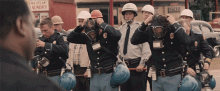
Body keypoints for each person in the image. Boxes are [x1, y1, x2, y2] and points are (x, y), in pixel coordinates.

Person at [0, 0, 65, 90]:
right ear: (21, 26)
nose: (37, 34)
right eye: (32, 24)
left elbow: (64, 50)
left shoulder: (59, 38)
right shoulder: (40, 86)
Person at [131, 14, 191, 91]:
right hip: (157, 77)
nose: (156, 31)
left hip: (173, 75)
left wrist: (174, 23)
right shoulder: (150, 31)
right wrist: (145, 23)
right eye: (154, 29)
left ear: (164, 27)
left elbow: (187, 41)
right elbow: (134, 40)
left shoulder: (172, 29)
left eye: (158, 29)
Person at [67, 10, 121, 91]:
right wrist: (81, 26)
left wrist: (103, 24)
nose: (92, 35)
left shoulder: (108, 35)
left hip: (108, 74)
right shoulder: (88, 37)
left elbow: (117, 35)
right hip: (94, 76)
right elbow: (70, 38)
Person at [118, 3, 151, 91]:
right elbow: (117, 47)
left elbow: (146, 48)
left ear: (134, 15)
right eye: (126, 14)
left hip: (137, 66)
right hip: (124, 66)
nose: (127, 16)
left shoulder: (140, 28)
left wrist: (142, 63)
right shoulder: (120, 29)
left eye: (130, 14)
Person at [178, 19, 216, 91]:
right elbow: (173, 58)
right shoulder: (175, 40)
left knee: (211, 82)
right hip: (180, 72)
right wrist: (185, 68)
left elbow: (208, 51)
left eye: (186, 30)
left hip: (196, 69)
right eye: (182, 31)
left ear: (189, 26)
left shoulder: (198, 37)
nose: (184, 34)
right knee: (188, 85)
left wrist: (207, 62)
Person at [31, 17, 69, 84]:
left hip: (56, 74)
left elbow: (65, 49)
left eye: (45, 31)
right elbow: (34, 54)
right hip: (43, 75)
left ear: (52, 28)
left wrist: (46, 45)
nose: (43, 33)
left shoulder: (59, 38)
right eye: (41, 31)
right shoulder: (41, 39)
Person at [66, 10, 91, 91]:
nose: (80, 23)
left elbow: (92, 55)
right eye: (79, 21)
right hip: (75, 69)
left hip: (86, 69)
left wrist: (88, 70)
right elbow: (70, 52)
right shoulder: (74, 35)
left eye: (82, 21)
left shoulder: (90, 35)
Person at [141, 4, 155, 91]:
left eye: (149, 13)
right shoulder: (140, 27)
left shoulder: (155, 28)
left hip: (152, 61)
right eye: (145, 13)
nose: (147, 15)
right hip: (140, 64)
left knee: (153, 85)